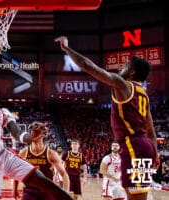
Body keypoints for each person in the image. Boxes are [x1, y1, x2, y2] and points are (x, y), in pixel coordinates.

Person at [55, 36, 158, 200]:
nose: (120, 69)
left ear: (132, 72)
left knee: (134, 197)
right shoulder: (143, 95)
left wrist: (67, 49)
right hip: (144, 146)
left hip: (134, 147)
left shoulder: (123, 85)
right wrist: (155, 155)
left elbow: (87, 65)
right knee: (138, 195)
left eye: (125, 66)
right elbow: (151, 132)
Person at [0, 45, 73, 200]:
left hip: (3, 155)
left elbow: (18, 134)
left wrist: (32, 138)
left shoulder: (2, 112)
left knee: (40, 178)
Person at [13, 121, 69, 200]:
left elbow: (64, 174)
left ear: (42, 135)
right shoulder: (24, 152)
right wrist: (14, 189)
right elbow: (16, 172)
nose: (33, 135)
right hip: (30, 191)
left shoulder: (51, 154)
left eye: (36, 133)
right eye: (32, 132)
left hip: (47, 190)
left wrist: (65, 193)